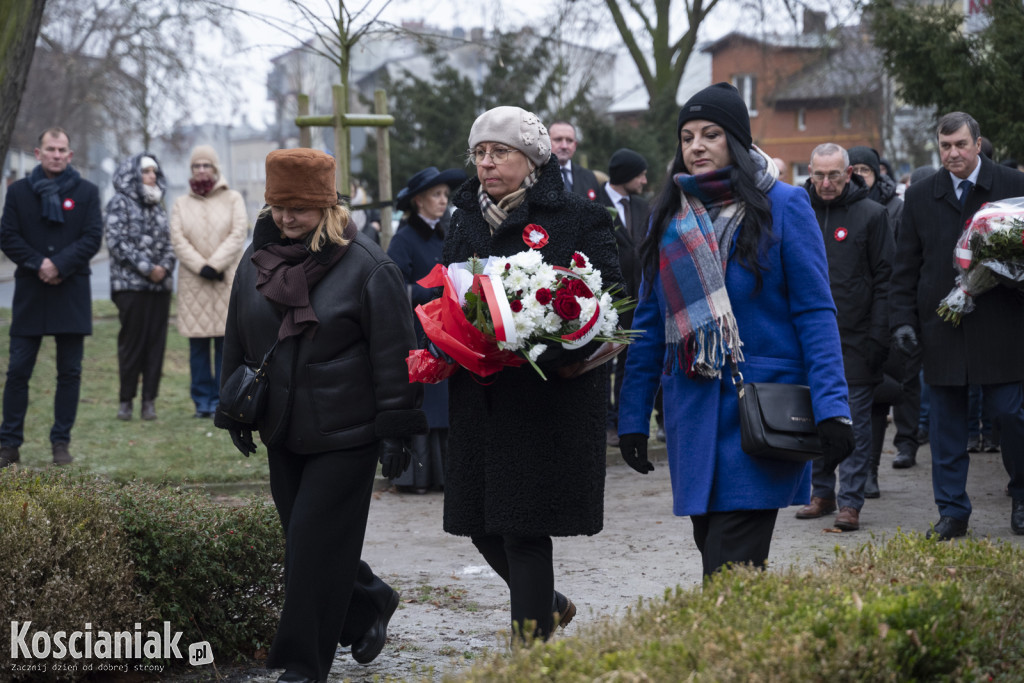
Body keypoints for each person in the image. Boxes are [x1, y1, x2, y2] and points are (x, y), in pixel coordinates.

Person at [616, 83, 854, 577]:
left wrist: (833, 407)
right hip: (693, 416)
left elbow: (815, 312)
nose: (696, 146)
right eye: (687, 137)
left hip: (758, 416)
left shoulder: (784, 205)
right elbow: (648, 324)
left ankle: (723, 654)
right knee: (716, 556)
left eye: (711, 134)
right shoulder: (670, 216)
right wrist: (633, 417)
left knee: (730, 569)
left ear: (737, 142)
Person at [215, 148, 427, 682]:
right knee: (309, 545)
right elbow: (238, 337)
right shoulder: (255, 261)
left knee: (309, 551)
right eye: (280, 205)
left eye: (301, 208)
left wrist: (396, 430)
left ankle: (300, 665)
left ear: (328, 206)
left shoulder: (368, 265)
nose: (287, 218)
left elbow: (395, 355)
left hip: (346, 432)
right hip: (283, 428)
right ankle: (368, 603)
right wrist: (234, 411)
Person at [442, 106, 622, 640]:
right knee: (479, 526)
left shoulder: (578, 218)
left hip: (544, 400)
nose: (487, 163)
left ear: (533, 160)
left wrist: (552, 340)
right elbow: (445, 293)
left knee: (523, 529)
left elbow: (611, 300)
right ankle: (549, 603)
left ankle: (532, 652)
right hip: (480, 397)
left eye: (500, 152)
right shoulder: (465, 219)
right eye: (480, 153)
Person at [890, 111, 1024, 540]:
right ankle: (952, 511)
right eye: (945, 146)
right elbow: (905, 266)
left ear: (977, 142)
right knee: (947, 425)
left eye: (961, 145)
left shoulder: (1012, 187)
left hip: (1002, 324)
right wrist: (902, 322)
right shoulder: (920, 195)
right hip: (942, 327)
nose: (952, 154)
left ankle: (1022, 498)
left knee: (1011, 414)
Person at [796, 143, 893, 531]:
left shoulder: (872, 215)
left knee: (853, 422)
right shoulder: (797, 210)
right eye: (818, 175)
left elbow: (886, 278)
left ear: (849, 172)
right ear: (809, 171)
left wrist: (878, 335)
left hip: (855, 338)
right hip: (807, 337)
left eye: (834, 174)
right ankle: (821, 491)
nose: (826, 183)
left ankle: (851, 501)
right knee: (810, 417)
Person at [0, 127, 102, 467]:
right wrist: (38, 263)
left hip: (70, 291)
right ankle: (9, 444)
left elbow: (92, 237)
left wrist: (58, 265)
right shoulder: (18, 193)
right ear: (37, 153)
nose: (56, 154)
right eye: (50, 149)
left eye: (62, 149)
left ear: (70, 156)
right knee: (17, 372)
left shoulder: (87, 192)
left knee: (69, 373)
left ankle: (61, 443)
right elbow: (8, 236)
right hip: (31, 292)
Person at [387, 165, 466, 493]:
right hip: (419, 335)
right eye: (436, 195)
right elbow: (391, 287)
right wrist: (424, 291)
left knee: (447, 405)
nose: (443, 201)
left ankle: (448, 476)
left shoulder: (446, 232)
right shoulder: (403, 239)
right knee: (426, 405)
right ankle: (418, 477)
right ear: (419, 200)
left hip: (448, 332)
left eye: (446, 195)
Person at [170, 145, 249, 418]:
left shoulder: (233, 199)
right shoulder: (181, 204)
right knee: (198, 349)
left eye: (206, 165)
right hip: (195, 284)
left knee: (226, 347)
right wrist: (201, 267)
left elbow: (238, 233)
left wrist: (215, 265)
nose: (201, 170)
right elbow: (178, 239)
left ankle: (222, 401)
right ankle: (202, 401)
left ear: (215, 169)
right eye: (196, 166)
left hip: (225, 281)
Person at [104, 153, 175, 422]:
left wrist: (164, 268)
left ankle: (149, 401)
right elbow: (117, 242)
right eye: (146, 171)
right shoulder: (119, 203)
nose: (152, 176)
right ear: (133, 174)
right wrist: (148, 269)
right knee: (132, 345)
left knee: (155, 346)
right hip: (130, 287)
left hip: (159, 288)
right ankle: (126, 401)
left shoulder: (158, 206)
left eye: (154, 172)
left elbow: (170, 244)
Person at [596, 148, 649, 447]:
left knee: (630, 361)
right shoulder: (595, 206)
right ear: (625, 175)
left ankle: (624, 421)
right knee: (604, 359)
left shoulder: (643, 206)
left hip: (639, 296)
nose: (644, 180)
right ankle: (604, 422)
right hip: (607, 298)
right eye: (640, 174)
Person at [548, 120, 602, 200]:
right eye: (558, 139)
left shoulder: (590, 177)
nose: (564, 146)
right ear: (547, 142)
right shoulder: (535, 177)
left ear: (575, 145)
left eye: (569, 140)